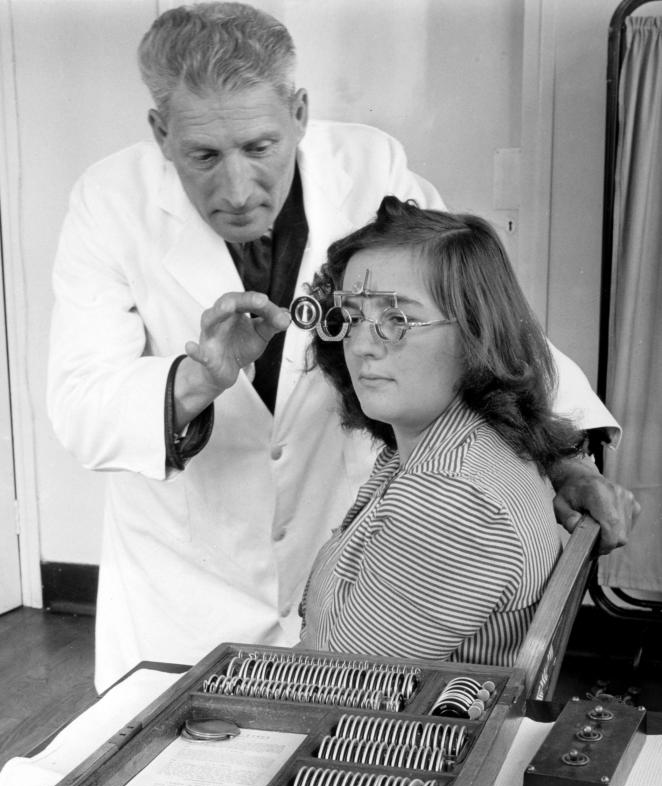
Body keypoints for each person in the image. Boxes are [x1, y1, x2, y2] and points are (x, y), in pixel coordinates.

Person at [47, 2, 635, 693]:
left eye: (260, 147)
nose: (236, 190)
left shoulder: (370, 167)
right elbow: (79, 404)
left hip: (347, 568)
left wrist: (564, 455)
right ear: (160, 132)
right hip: (182, 585)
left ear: (299, 112)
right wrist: (197, 381)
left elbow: (477, 312)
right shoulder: (109, 202)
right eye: (203, 156)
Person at [299, 197, 583, 663]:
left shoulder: (451, 496)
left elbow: (340, 685)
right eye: (351, 317)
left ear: (477, 334)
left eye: (398, 320)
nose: (361, 347)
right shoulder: (451, 446)